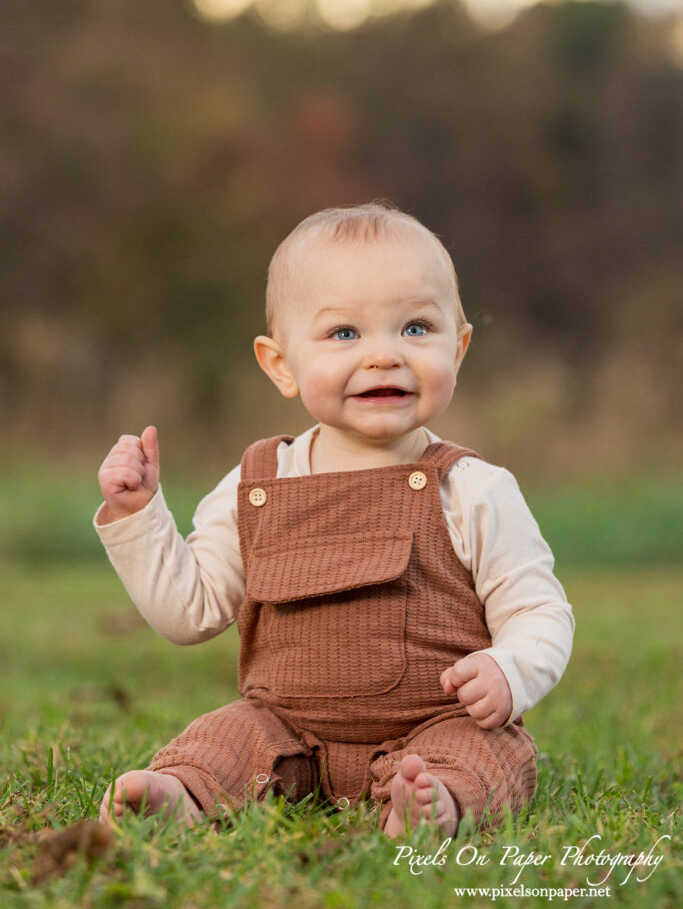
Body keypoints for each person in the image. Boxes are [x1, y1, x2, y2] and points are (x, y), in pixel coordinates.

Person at [95, 202, 574, 838]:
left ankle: (434, 806)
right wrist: (138, 515)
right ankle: (182, 793)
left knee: (488, 751)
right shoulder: (257, 484)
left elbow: (539, 610)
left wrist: (509, 669)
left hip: (433, 724)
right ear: (281, 365)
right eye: (344, 334)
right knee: (229, 736)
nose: (383, 356)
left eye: (415, 328)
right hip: (285, 729)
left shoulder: (471, 489)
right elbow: (190, 611)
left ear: (457, 348)